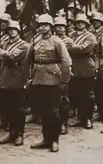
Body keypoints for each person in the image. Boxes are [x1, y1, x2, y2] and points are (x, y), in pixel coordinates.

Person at [28, 14, 72, 153]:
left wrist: (64, 80)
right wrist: (28, 77)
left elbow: (66, 62)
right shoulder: (34, 41)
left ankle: (54, 140)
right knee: (43, 111)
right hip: (38, 79)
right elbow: (28, 60)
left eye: (45, 25)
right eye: (41, 25)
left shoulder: (57, 42)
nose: (43, 27)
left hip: (53, 79)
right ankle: (45, 139)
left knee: (53, 111)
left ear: (51, 27)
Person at [0, 20, 30, 146]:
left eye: (14, 30)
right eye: (9, 30)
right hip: (6, 77)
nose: (11, 32)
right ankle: (11, 133)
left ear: (18, 31)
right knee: (8, 108)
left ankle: (19, 134)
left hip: (17, 79)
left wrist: (0, 52)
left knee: (19, 109)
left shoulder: (24, 45)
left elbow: (11, 57)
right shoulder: (5, 43)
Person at [68, 14, 97, 130]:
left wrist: (71, 46)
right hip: (75, 66)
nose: (80, 24)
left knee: (88, 95)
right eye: (78, 22)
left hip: (86, 66)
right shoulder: (71, 35)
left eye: (82, 22)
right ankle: (81, 118)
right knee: (77, 94)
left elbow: (84, 49)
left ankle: (88, 118)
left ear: (86, 24)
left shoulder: (90, 37)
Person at [53, 16, 73, 135]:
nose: (59, 29)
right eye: (57, 27)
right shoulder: (51, 39)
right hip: (52, 71)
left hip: (64, 69)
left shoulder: (67, 41)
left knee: (63, 99)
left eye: (61, 27)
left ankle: (63, 123)